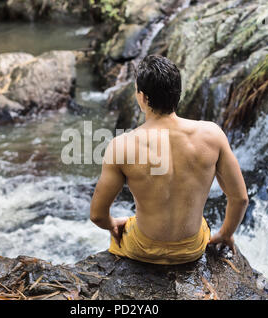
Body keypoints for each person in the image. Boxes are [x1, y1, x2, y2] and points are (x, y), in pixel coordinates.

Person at [90, 55, 249, 264]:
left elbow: (97, 215)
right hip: (192, 249)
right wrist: (225, 233)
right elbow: (240, 198)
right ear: (178, 94)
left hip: (143, 248)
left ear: (143, 97)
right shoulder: (212, 135)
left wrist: (112, 224)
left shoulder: (122, 145)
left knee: (124, 233)